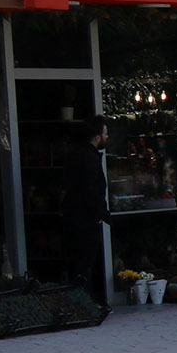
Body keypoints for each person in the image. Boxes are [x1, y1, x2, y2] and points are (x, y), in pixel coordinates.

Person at [60, 115, 111, 306]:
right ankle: (85, 303)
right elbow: (90, 190)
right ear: (97, 137)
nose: (107, 137)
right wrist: (102, 213)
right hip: (85, 218)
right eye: (105, 134)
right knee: (85, 263)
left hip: (75, 216)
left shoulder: (76, 155)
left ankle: (82, 301)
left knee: (80, 262)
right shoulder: (89, 158)